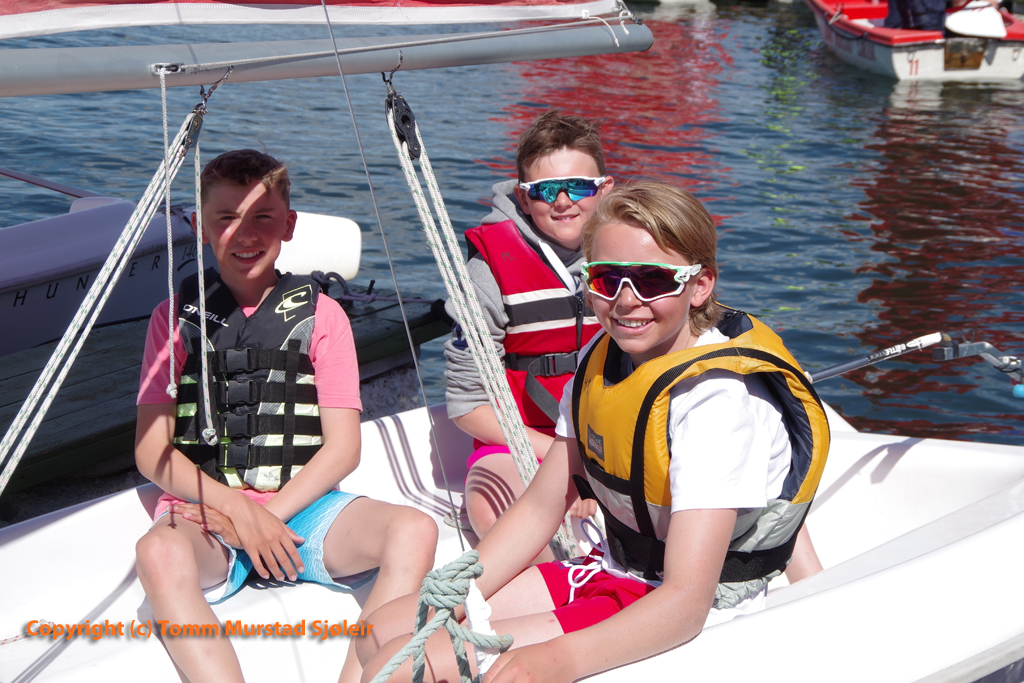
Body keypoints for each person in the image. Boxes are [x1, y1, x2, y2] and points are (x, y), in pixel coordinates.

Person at [357, 181, 830, 683]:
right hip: (611, 571)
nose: (625, 301)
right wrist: (455, 589)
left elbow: (687, 600)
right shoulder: (599, 359)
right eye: (606, 279)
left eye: (652, 280)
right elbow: (541, 508)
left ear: (700, 285)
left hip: (684, 607)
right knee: (380, 629)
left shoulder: (716, 404)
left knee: (404, 666)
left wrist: (555, 660)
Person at [133, 149, 438, 683]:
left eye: (263, 217)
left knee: (414, 530)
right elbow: (150, 450)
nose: (245, 234)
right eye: (227, 218)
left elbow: (343, 449)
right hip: (209, 515)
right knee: (157, 553)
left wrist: (267, 517)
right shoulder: (171, 319)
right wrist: (236, 511)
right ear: (201, 227)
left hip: (304, 512)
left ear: (289, 225)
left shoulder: (325, 316)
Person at [445, 110, 611, 549]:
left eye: (578, 186)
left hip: (611, 439)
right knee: (495, 511)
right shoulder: (487, 270)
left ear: (604, 189)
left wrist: (595, 464)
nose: (563, 202)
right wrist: (564, 459)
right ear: (523, 195)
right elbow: (466, 405)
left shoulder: (630, 257)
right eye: (545, 190)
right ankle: (548, 589)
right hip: (519, 443)